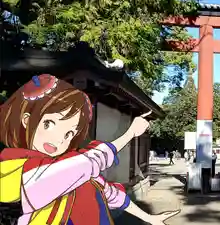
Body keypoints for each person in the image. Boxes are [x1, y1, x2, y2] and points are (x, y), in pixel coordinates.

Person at [0, 74, 179, 225]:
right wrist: (130, 133)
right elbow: (86, 162)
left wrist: (149, 218)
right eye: (49, 123)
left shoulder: (74, 165)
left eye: (70, 133)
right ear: (26, 120)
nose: (59, 140)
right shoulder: (19, 170)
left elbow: (111, 194)